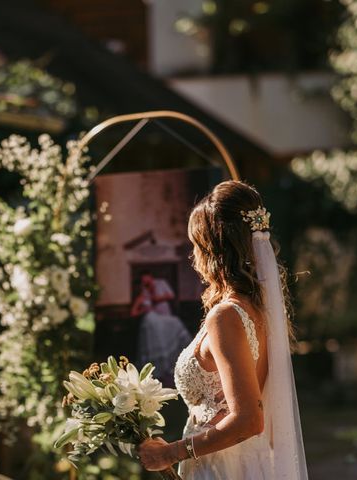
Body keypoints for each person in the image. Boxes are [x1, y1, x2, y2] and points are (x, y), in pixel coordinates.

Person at [137, 181, 308, 479]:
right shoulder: (261, 310)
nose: (193, 256)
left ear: (212, 248)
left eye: (196, 246)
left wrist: (171, 452)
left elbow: (248, 420)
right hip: (244, 463)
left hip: (222, 468)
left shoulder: (226, 316)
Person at [132, 272, 191, 387]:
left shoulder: (158, 286)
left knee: (171, 329)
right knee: (154, 343)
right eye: (144, 283)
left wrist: (154, 299)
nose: (146, 284)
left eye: (146, 281)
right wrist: (144, 310)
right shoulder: (142, 296)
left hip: (158, 317)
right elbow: (134, 312)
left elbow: (169, 296)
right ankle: (156, 371)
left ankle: (169, 368)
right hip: (150, 320)